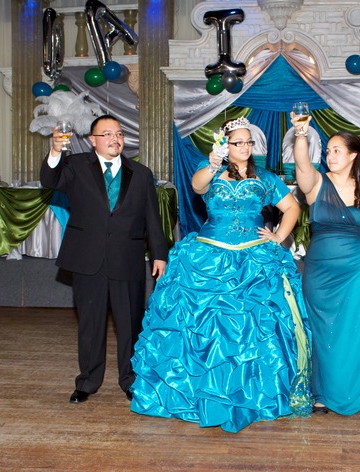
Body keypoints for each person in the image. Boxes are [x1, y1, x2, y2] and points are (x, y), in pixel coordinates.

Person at [130, 117, 312, 433]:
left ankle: (251, 394)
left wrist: (279, 236)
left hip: (254, 257)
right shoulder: (211, 170)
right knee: (200, 327)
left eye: (248, 142)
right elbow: (196, 186)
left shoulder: (266, 178)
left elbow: (293, 208)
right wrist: (213, 165)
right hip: (208, 255)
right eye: (238, 142)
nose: (245, 147)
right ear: (225, 146)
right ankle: (200, 394)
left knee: (254, 329)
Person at [40, 114, 168, 404]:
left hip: (128, 259)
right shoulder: (75, 166)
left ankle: (130, 380)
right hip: (88, 260)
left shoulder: (141, 173)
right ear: (92, 141)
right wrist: (56, 150)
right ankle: (87, 382)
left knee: (130, 324)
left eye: (119, 133)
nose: (115, 139)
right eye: (107, 134)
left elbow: (152, 217)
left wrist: (159, 254)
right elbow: (49, 179)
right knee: (90, 324)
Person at [290, 113, 360, 415]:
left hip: (354, 272)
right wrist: (300, 135)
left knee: (351, 332)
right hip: (320, 272)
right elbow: (302, 165)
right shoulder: (316, 183)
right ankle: (319, 393)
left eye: (337, 150)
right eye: (328, 150)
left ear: (353, 156)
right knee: (319, 331)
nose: (330, 155)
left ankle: (345, 393)